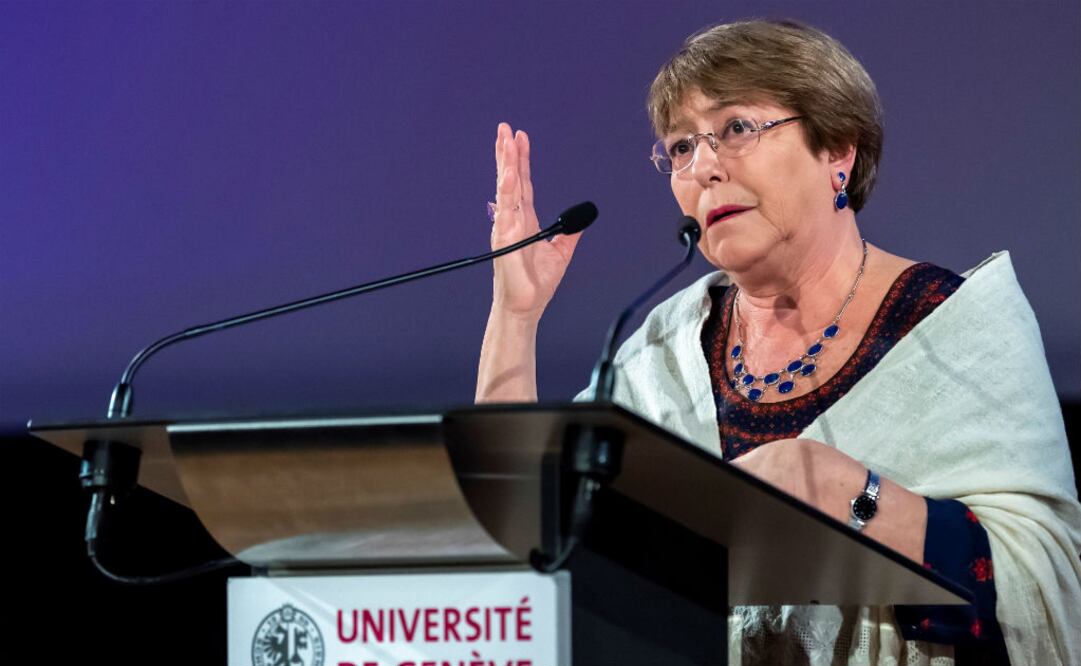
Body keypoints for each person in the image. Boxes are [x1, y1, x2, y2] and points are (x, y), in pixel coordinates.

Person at [475, 18, 1081, 666]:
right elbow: (527, 521)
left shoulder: (955, 325)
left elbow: (1041, 583)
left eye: (735, 128)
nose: (703, 168)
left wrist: (837, 490)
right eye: (680, 147)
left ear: (837, 151)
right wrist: (516, 314)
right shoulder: (662, 352)